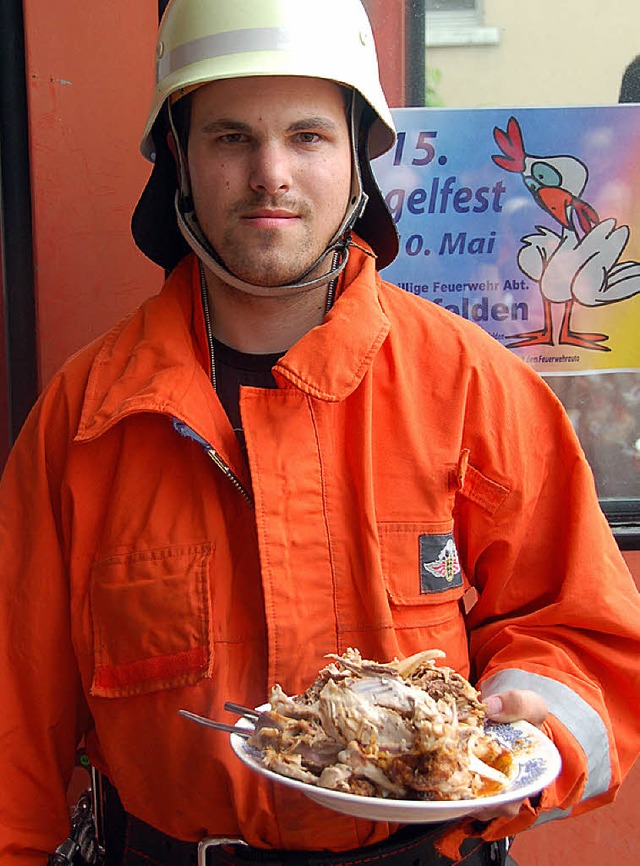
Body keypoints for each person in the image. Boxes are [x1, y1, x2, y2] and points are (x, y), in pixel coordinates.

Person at [1, 0, 640, 864]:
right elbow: (14, 726)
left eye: (308, 136)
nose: (272, 173)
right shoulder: (85, 420)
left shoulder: (472, 387)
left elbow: (588, 634)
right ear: (179, 161)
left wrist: (542, 720)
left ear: (356, 160)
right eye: (231, 138)